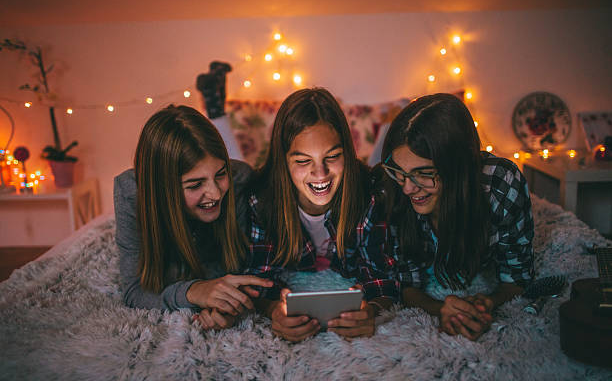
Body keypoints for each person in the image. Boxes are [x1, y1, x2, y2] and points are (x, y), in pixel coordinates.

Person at [375, 93, 534, 341]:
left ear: (457, 168)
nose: (408, 188)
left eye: (424, 173)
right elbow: (405, 285)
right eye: (400, 172)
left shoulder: (501, 184)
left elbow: (517, 276)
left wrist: (486, 303)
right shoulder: (392, 189)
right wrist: (441, 310)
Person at [244, 87, 393, 342]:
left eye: (333, 156)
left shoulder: (368, 196)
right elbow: (257, 281)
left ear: (346, 151)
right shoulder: (261, 201)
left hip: (366, 178)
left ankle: (390, 121)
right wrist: (273, 312)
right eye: (303, 161)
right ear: (283, 162)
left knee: (385, 164)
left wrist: (374, 310)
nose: (321, 173)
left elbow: (385, 279)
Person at [114, 104, 272, 330]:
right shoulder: (131, 193)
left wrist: (225, 305)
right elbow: (134, 291)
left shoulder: (239, 180)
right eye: (196, 184)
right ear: (163, 189)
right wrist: (194, 291)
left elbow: (240, 270)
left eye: (220, 174)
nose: (216, 194)